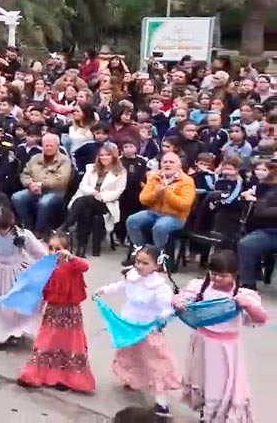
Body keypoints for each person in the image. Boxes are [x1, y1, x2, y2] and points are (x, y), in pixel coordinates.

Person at [174, 250, 267, 421]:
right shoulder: (200, 287)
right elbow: (180, 300)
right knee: (201, 380)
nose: (217, 279)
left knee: (220, 386)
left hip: (225, 349)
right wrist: (178, 303)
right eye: (214, 274)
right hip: (201, 342)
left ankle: (215, 416)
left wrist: (247, 306)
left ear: (234, 274)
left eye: (223, 276)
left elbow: (261, 318)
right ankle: (204, 411)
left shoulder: (241, 295)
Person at [95, 244, 181, 418]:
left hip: (148, 329)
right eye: (138, 261)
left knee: (156, 363)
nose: (139, 266)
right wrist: (105, 290)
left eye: (145, 263)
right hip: (128, 324)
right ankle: (131, 379)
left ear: (156, 265)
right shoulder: (132, 276)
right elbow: (121, 286)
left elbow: (168, 308)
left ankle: (161, 402)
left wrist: (161, 318)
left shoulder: (160, 287)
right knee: (129, 355)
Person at [17, 232, 95, 393]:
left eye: (57, 249)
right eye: (51, 248)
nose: (53, 252)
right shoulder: (47, 264)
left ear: (67, 249)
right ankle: (36, 373)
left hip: (70, 312)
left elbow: (85, 267)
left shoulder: (72, 264)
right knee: (46, 341)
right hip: (52, 310)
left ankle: (67, 377)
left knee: (69, 344)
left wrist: (70, 257)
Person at [0, 199, 49, 345]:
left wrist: (49, 266)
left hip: (17, 269)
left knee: (16, 304)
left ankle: (16, 330)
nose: (0, 231)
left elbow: (38, 252)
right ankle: (0, 331)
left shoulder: (23, 235)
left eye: (3, 228)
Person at [57, 143, 127, 257]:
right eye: (101, 155)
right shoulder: (91, 168)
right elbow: (83, 185)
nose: (103, 157)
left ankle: (67, 227)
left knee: (83, 202)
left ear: (113, 156)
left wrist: (102, 196)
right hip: (89, 199)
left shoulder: (120, 171)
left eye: (107, 155)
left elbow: (119, 191)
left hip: (106, 203)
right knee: (86, 210)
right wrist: (94, 193)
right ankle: (81, 248)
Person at [125, 151, 195, 257]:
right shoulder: (155, 177)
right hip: (153, 212)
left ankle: (157, 257)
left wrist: (167, 192)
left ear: (179, 165)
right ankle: (141, 252)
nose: (168, 164)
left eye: (171, 162)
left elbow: (184, 204)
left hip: (176, 216)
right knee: (132, 220)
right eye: (165, 162)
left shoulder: (187, 181)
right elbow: (143, 199)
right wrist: (156, 193)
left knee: (160, 227)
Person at [12, 133, 72, 238]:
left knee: (44, 203)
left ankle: (39, 231)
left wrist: (41, 184)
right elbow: (25, 174)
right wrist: (30, 184)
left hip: (55, 192)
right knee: (17, 197)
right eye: (46, 145)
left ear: (57, 146)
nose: (48, 148)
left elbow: (61, 179)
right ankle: (28, 226)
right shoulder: (35, 158)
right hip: (33, 189)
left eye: (51, 146)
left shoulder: (64, 160)